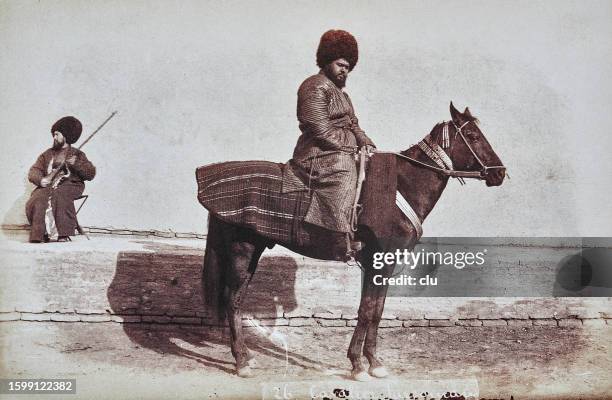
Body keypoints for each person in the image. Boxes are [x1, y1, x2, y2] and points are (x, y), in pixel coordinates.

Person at [289, 29, 376, 256]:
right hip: (317, 152)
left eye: (347, 66)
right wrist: (349, 149)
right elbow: (319, 127)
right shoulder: (314, 86)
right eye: (340, 64)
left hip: (339, 149)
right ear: (327, 61)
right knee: (345, 171)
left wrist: (366, 144)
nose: (344, 70)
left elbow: (354, 125)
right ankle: (337, 236)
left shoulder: (343, 96)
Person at [26, 116, 96, 243]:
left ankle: (63, 234)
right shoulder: (47, 154)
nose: (54, 137)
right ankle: (39, 234)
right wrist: (41, 180)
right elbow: (34, 171)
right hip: (49, 185)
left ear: (66, 135)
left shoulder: (77, 154)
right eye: (53, 134)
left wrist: (77, 164)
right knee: (37, 197)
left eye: (57, 134)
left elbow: (90, 174)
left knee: (60, 195)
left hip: (71, 185)